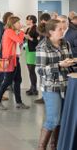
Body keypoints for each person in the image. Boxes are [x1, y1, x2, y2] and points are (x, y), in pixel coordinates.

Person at [36, 19, 74, 149]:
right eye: (60, 29)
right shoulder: (42, 46)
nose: (63, 31)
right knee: (53, 120)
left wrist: (72, 62)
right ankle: (41, 147)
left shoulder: (65, 43)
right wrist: (58, 65)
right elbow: (40, 70)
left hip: (66, 85)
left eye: (64, 29)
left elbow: (68, 65)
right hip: (50, 87)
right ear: (51, 32)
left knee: (61, 120)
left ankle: (54, 146)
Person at [0, 16, 29, 110]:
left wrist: (20, 31)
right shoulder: (9, 31)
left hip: (14, 59)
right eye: (18, 22)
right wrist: (22, 31)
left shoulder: (13, 32)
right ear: (13, 24)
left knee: (18, 80)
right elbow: (20, 40)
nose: (20, 24)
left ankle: (19, 102)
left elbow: (20, 43)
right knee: (7, 81)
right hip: (9, 60)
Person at [34, 13, 52, 104]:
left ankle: (45, 97)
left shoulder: (47, 31)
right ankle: (44, 97)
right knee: (43, 78)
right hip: (44, 58)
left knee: (44, 77)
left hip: (45, 59)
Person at [24, 15, 39, 96]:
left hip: (33, 51)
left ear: (32, 20)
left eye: (28, 19)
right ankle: (32, 87)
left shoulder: (36, 28)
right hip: (28, 51)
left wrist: (30, 38)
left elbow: (38, 40)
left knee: (32, 71)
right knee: (30, 71)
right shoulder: (28, 28)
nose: (26, 20)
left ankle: (34, 89)